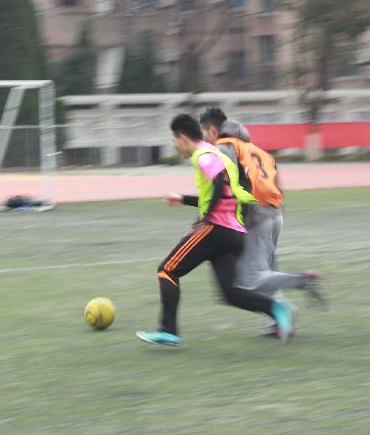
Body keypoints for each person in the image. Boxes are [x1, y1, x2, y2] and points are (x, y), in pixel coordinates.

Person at [136, 114, 294, 348]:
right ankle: (275, 308)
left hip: (216, 229)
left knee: (167, 270)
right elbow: (225, 190)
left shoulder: (203, 155)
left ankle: (168, 331)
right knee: (230, 293)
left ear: (183, 137)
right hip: (234, 233)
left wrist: (206, 217)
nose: (175, 146)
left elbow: (220, 182)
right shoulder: (213, 152)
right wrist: (183, 199)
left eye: (174, 141)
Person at [198, 108, 327, 337]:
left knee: (248, 281)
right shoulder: (259, 152)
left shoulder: (224, 147)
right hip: (275, 213)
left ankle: (302, 280)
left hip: (255, 215)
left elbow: (226, 184)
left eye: (206, 133)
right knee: (266, 272)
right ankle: (279, 322)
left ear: (216, 132)